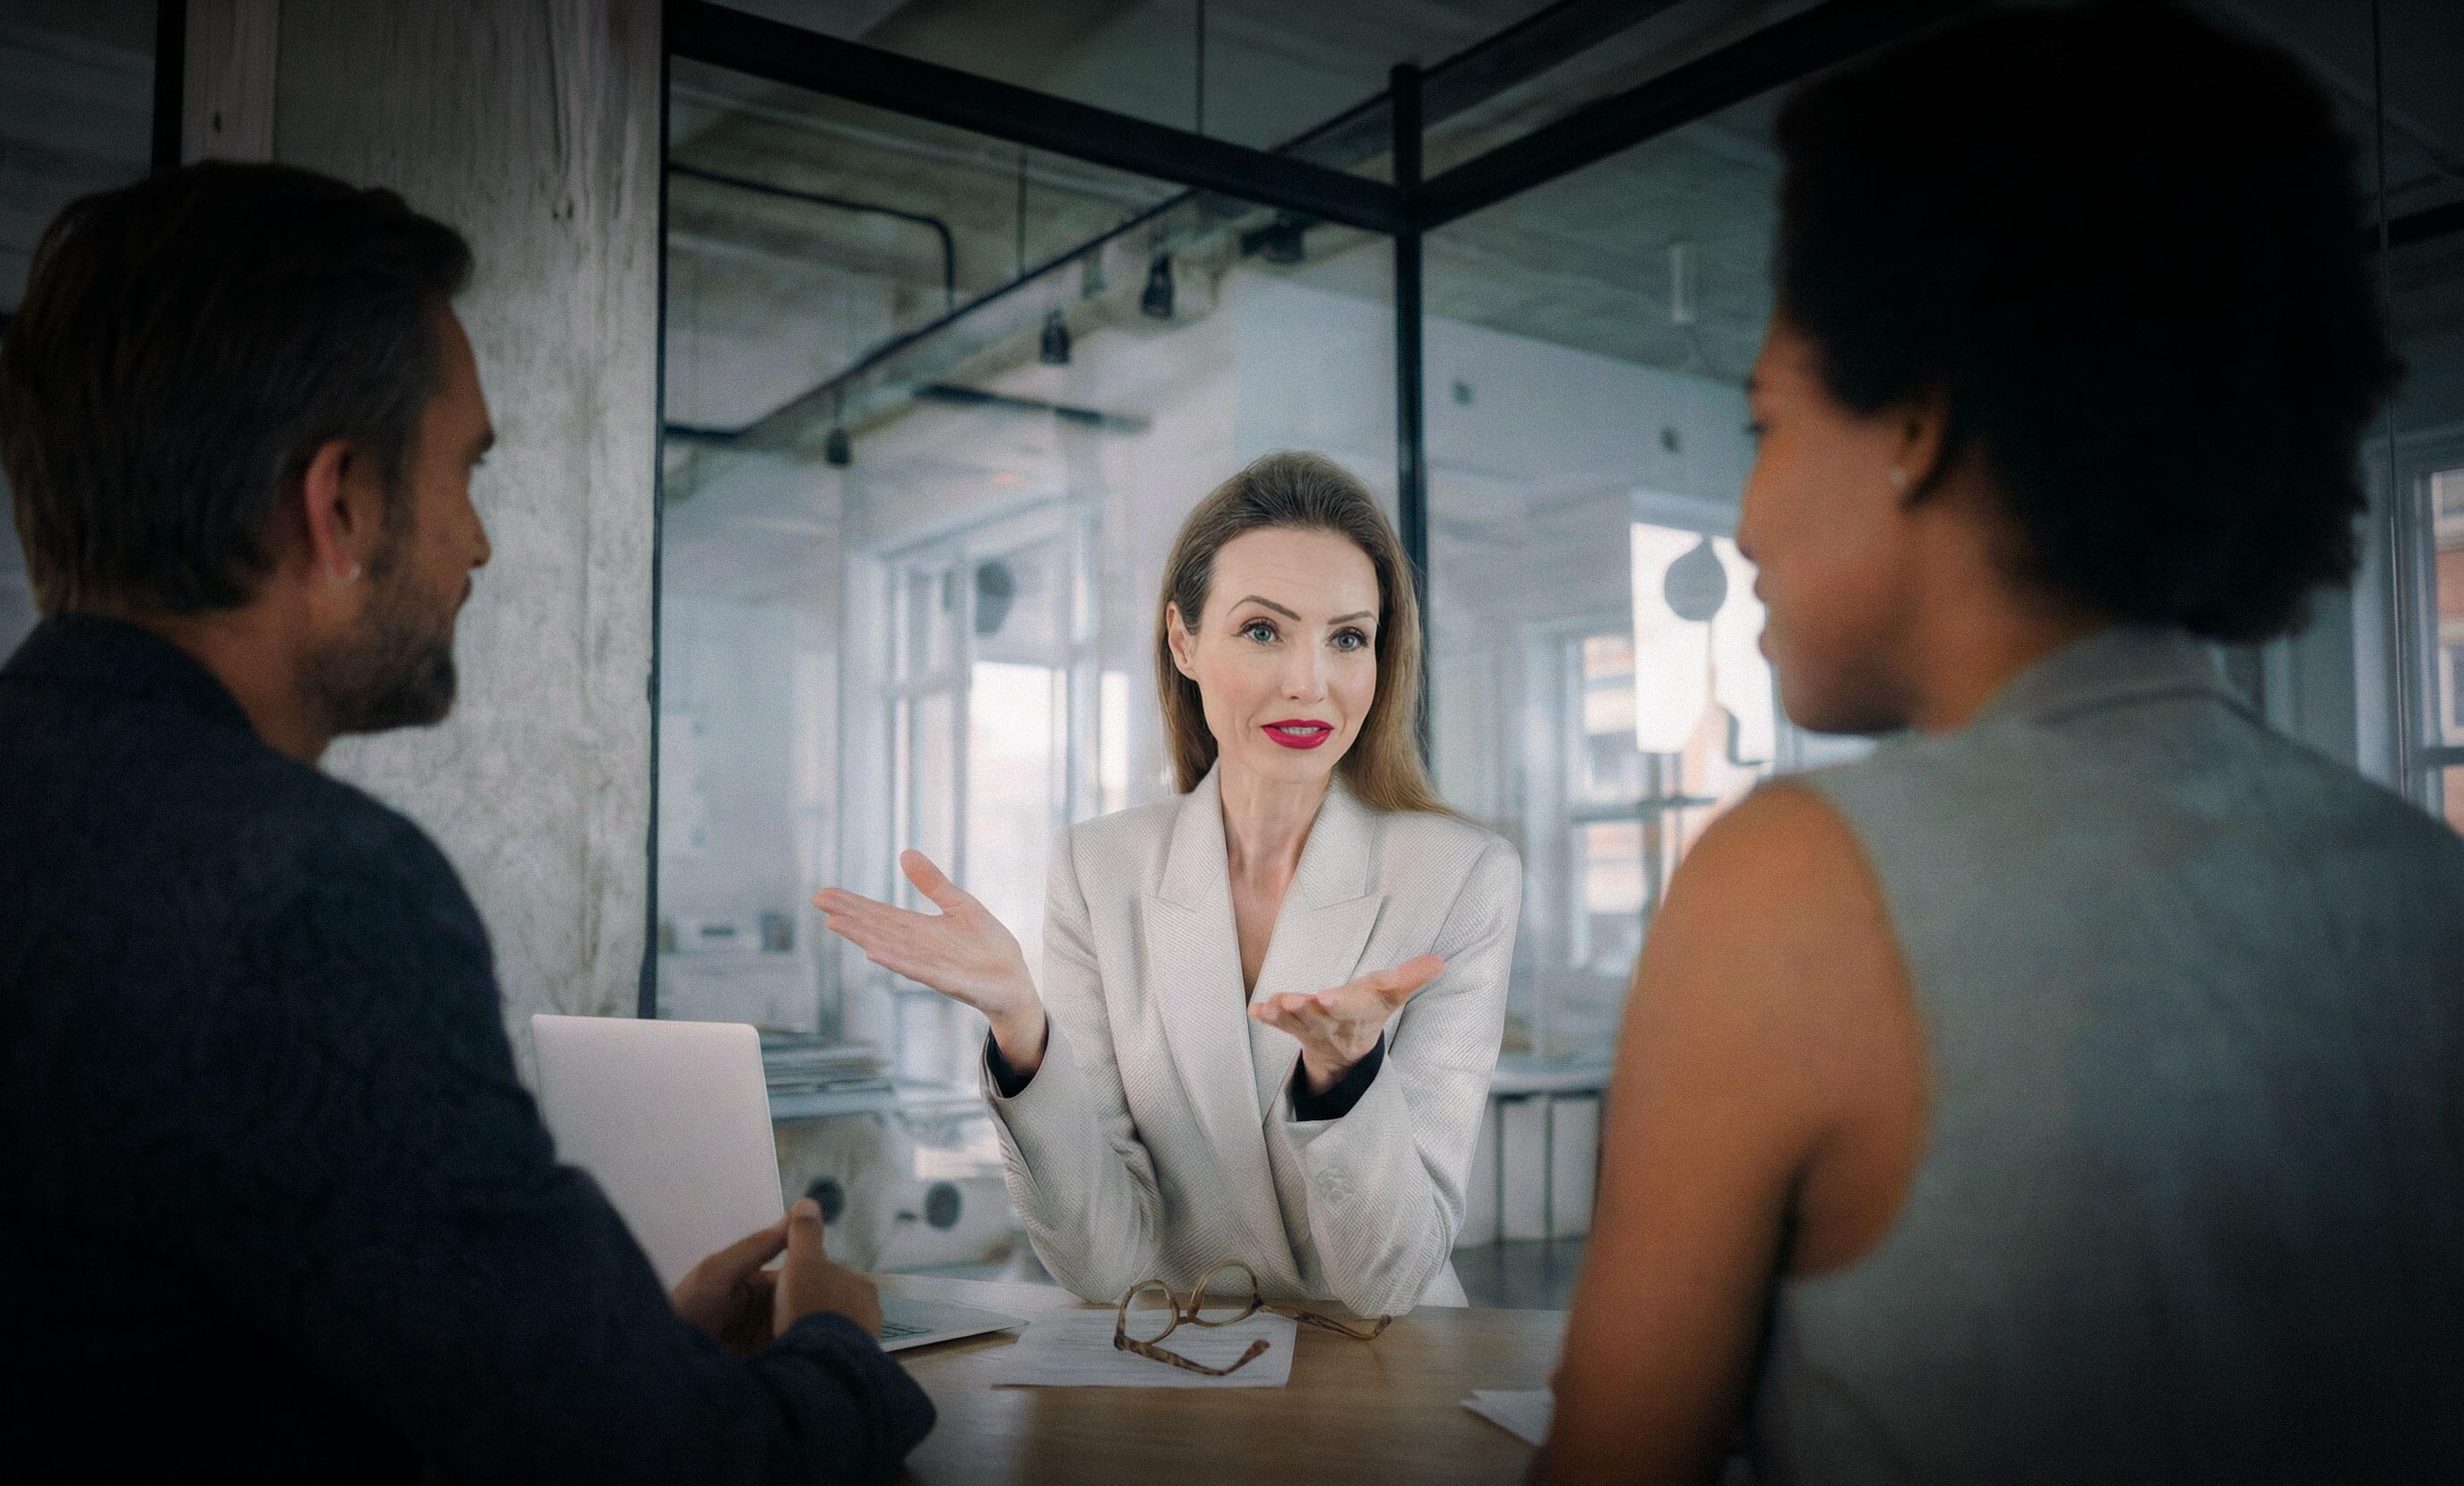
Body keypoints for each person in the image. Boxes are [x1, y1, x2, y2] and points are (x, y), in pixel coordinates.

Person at [1538, 6, 2464, 1484]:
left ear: (1916, 420)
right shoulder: (2431, 887)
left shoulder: (1796, 883)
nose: (1749, 521)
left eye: (1765, 422)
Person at [0, 162, 932, 1483]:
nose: (481, 545)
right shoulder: (310, 893)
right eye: (465, 471)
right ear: (340, 505)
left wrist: (592, 1353)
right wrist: (839, 1353)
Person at [817, 453, 1520, 1316]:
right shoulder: (1098, 869)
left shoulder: (1462, 879)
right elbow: (1106, 1262)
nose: (1310, 681)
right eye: (1263, 631)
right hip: (1188, 1366)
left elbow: (1390, 1280)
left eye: (1348, 637)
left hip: (1394, 1379)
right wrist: (1021, 1032)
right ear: (1183, 641)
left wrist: (1345, 1082)